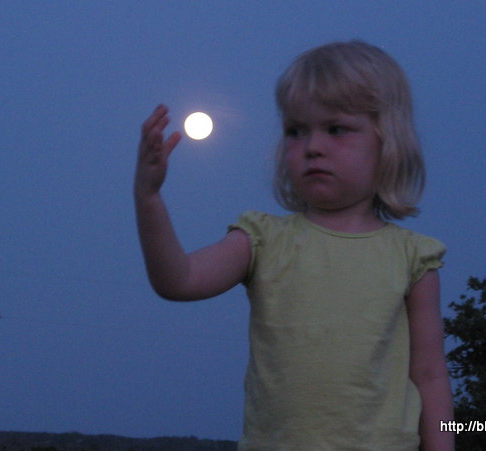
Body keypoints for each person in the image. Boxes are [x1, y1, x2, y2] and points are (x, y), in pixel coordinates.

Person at [134, 40, 454, 450]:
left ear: (387, 141)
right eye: (295, 131)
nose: (313, 146)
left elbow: (429, 374)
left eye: (336, 129)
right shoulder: (263, 239)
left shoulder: (413, 257)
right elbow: (178, 280)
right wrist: (149, 198)